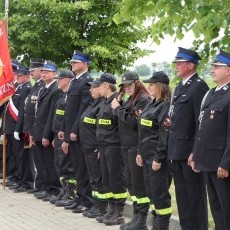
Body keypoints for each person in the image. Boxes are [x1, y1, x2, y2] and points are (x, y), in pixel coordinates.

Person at [167, 47, 209, 230]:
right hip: (176, 150)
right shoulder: (179, 87)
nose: (176, 66)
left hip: (189, 152)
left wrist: (195, 152)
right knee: (183, 197)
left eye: (180, 63)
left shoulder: (199, 86)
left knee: (195, 197)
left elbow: (200, 122)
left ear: (190, 65)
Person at [192, 49, 230, 230]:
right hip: (208, 162)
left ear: (228, 70)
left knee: (226, 209)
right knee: (216, 209)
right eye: (213, 66)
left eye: (217, 66)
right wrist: (196, 154)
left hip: (222, 165)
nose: (212, 69)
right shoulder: (212, 93)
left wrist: (226, 163)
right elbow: (202, 127)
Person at [111, 71, 150, 230]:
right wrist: (118, 103)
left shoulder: (143, 100)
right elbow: (120, 120)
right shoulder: (130, 100)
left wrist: (118, 108)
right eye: (124, 86)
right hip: (126, 146)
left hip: (135, 146)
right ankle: (136, 216)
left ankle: (142, 220)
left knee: (138, 184)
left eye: (129, 85)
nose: (126, 88)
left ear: (137, 83)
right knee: (132, 184)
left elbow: (133, 122)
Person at [58, 51, 93, 213]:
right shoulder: (74, 82)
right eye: (72, 62)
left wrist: (74, 131)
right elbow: (69, 110)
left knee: (83, 168)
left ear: (85, 64)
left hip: (78, 133)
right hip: (70, 131)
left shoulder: (87, 82)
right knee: (77, 167)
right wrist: (64, 130)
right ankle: (79, 198)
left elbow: (82, 110)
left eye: (76, 62)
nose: (72, 64)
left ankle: (86, 200)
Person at [137, 71, 172, 230]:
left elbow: (163, 135)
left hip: (157, 160)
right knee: (152, 194)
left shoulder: (165, 106)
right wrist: (139, 152)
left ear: (160, 87)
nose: (148, 87)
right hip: (146, 157)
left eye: (152, 84)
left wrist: (158, 158)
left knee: (160, 196)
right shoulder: (151, 104)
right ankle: (155, 224)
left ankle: (161, 226)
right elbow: (143, 131)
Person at [96, 73, 127, 226]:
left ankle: (119, 213)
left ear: (107, 85)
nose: (97, 88)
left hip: (115, 147)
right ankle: (111, 209)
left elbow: (121, 124)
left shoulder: (117, 101)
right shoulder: (105, 102)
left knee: (116, 180)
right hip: (104, 146)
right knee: (107, 180)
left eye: (99, 85)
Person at [31, 61, 62, 201]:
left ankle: (54, 189)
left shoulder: (55, 90)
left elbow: (51, 115)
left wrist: (46, 135)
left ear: (54, 74)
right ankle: (45, 187)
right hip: (38, 131)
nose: (43, 74)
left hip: (46, 133)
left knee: (49, 163)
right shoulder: (43, 89)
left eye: (47, 72)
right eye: (42, 72)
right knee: (41, 162)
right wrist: (33, 133)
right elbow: (37, 114)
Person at [79, 78, 107, 218]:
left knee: (98, 179)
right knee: (93, 179)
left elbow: (100, 129)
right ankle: (96, 205)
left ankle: (101, 207)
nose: (91, 90)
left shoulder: (101, 104)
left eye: (94, 88)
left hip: (94, 147)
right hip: (87, 146)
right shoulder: (93, 103)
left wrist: (98, 147)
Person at [49, 70, 76, 206]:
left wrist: (65, 136)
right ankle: (64, 190)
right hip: (58, 135)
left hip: (65, 136)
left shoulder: (70, 97)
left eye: (59, 79)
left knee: (67, 166)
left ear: (67, 80)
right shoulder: (62, 96)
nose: (57, 81)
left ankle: (71, 193)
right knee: (59, 165)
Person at [4, 66, 33, 191]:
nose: (18, 77)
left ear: (27, 76)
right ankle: (16, 177)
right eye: (17, 75)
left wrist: (17, 128)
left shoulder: (27, 89)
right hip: (10, 127)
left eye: (20, 76)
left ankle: (24, 181)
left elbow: (21, 111)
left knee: (22, 156)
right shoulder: (18, 88)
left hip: (18, 128)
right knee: (14, 154)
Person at [23, 58, 45, 194]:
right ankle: (40, 185)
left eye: (33, 70)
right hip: (33, 128)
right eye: (30, 71)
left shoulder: (43, 86)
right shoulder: (36, 86)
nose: (31, 73)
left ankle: (43, 186)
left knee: (42, 161)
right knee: (38, 160)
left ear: (41, 70)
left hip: (40, 128)